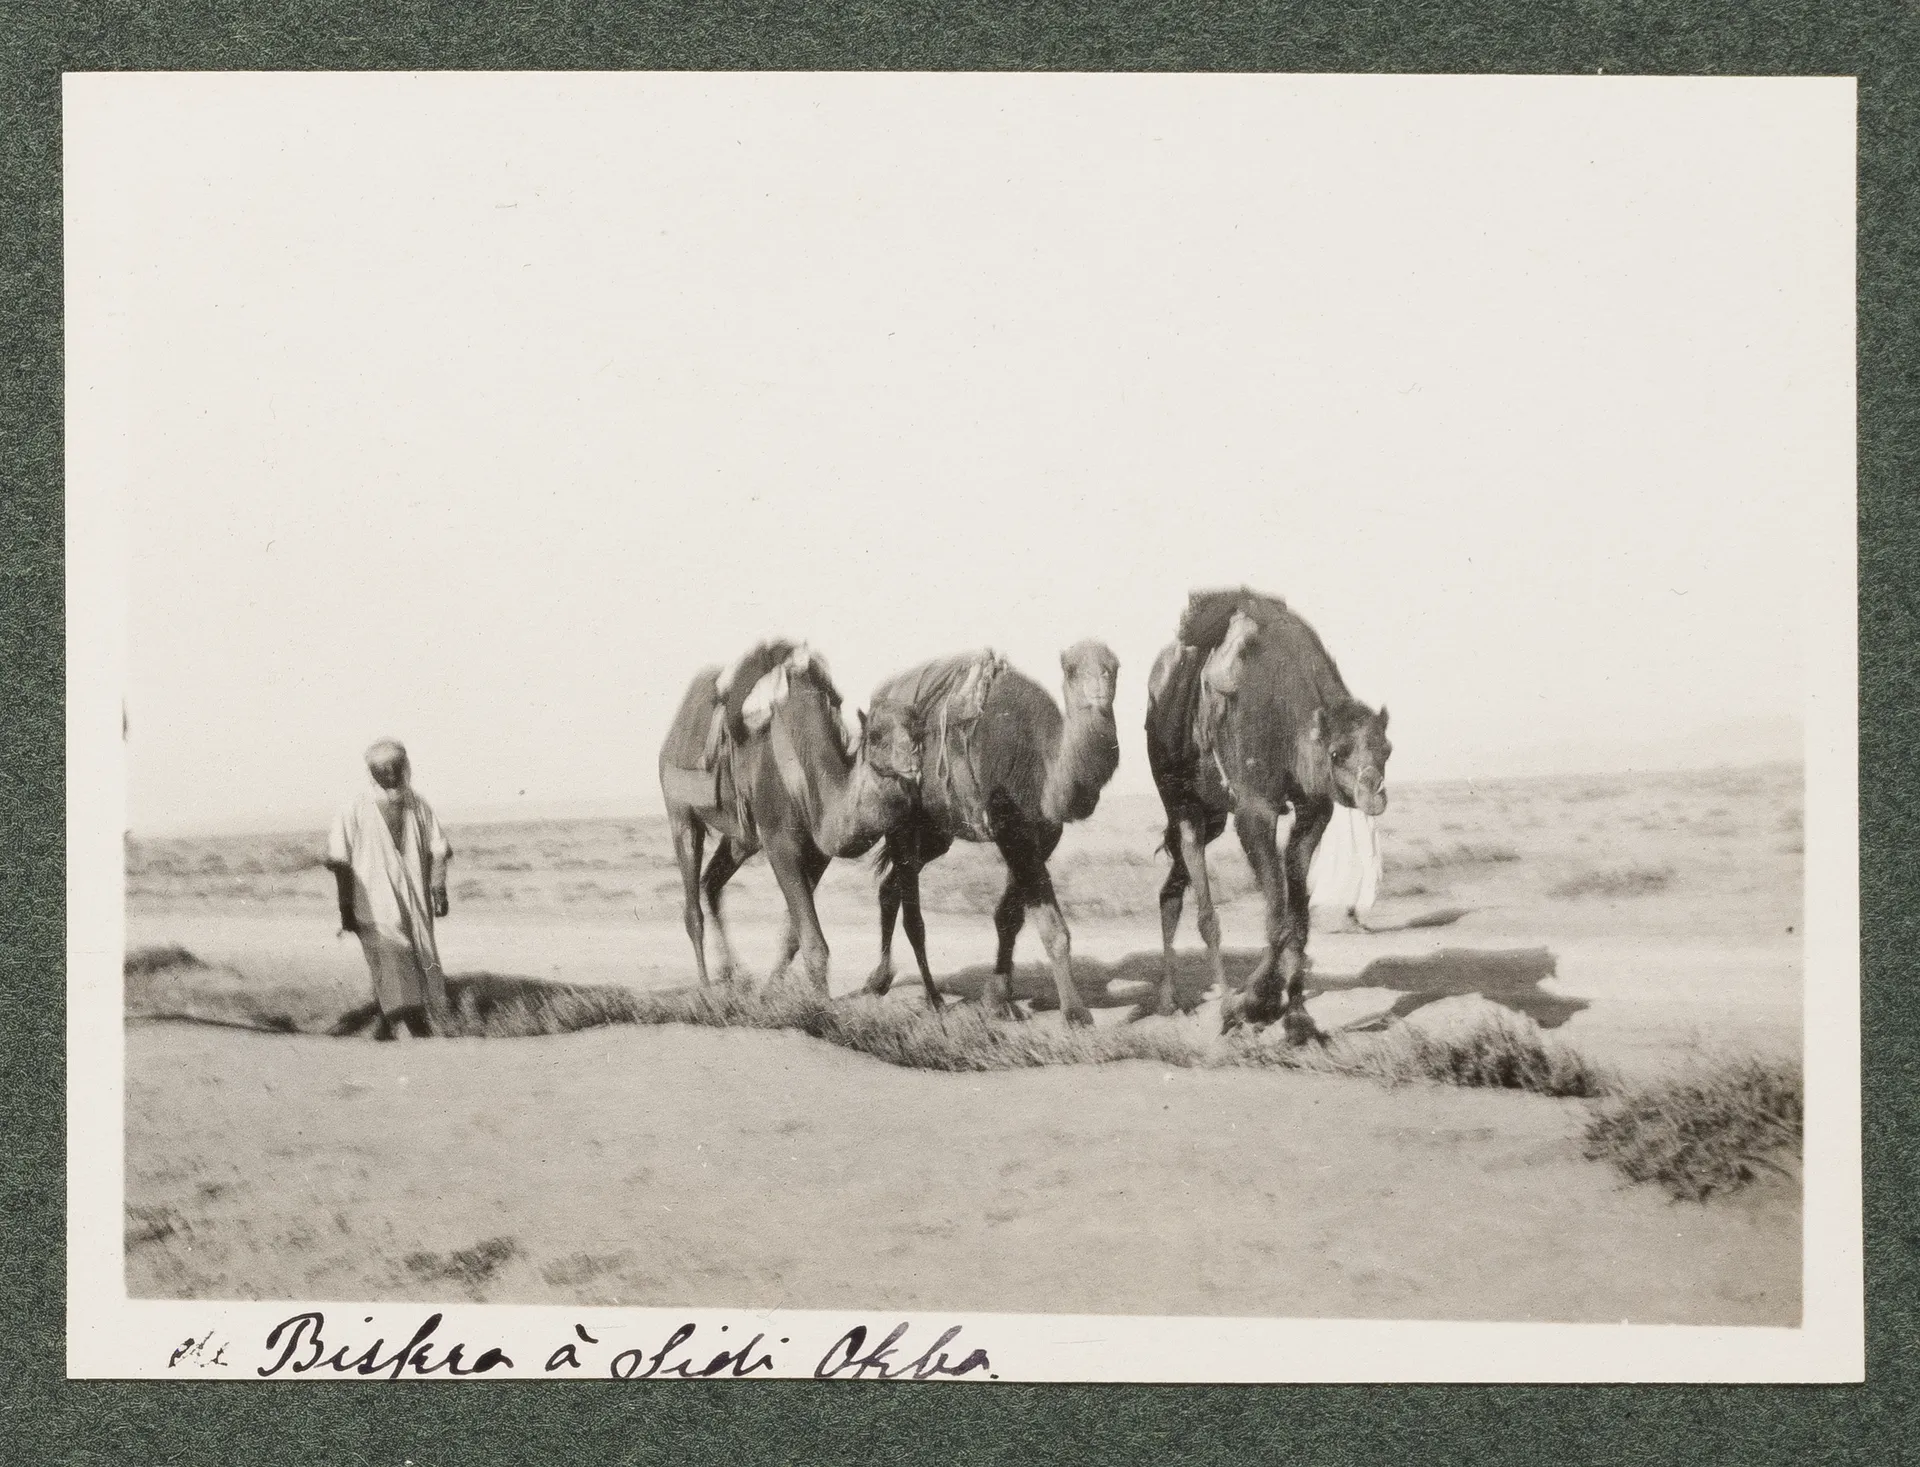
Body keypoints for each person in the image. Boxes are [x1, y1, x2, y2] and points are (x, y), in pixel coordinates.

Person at [324, 739, 454, 1039]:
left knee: (420, 955)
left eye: (396, 766)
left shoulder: (418, 805)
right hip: (372, 901)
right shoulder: (353, 808)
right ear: (372, 772)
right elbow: (339, 861)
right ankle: (400, 1024)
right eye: (383, 769)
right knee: (390, 956)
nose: (391, 774)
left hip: (414, 901)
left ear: (405, 766)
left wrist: (438, 888)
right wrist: (345, 909)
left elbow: (438, 849)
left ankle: (403, 1024)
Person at [1307, 803, 1381, 933]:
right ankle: (1346, 916)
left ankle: (1348, 916)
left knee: (1359, 856)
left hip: (1355, 805)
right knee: (1347, 857)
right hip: (1344, 806)